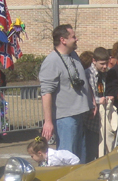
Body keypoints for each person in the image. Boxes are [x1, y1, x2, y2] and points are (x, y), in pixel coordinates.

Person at [38, 24, 93, 160]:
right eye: (73, 37)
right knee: (67, 158)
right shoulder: (52, 61)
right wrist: (48, 121)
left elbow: (83, 81)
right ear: (63, 40)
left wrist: (91, 102)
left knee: (81, 157)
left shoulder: (73, 55)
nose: (76, 39)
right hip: (66, 119)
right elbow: (46, 93)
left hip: (80, 114)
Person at [87, 47, 116, 156]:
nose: (105, 66)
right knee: (93, 151)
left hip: (103, 117)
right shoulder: (88, 74)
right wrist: (99, 100)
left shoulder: (105, 74)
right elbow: (88, 96)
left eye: (106, 63)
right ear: (94, 61)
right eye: (102, 64)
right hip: (91, 122)